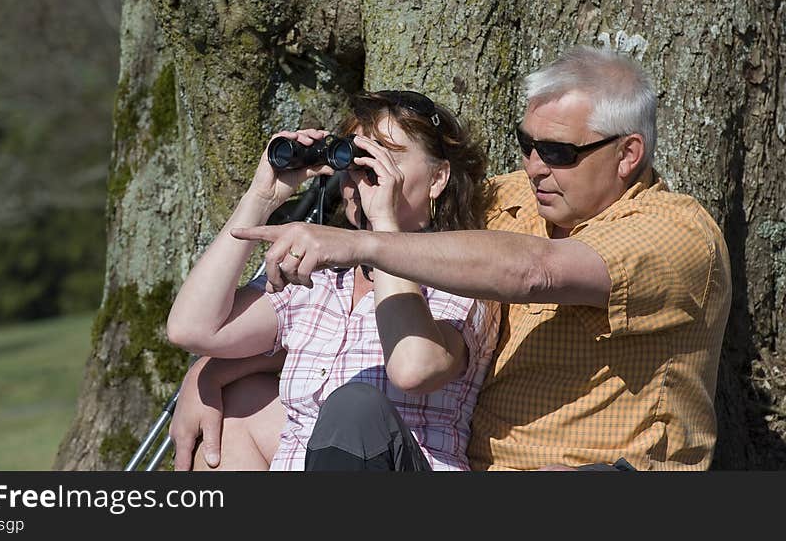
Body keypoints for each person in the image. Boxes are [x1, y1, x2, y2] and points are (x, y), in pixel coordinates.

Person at [173, 45, 732, 471]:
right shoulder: (512, 199)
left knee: (355, 412)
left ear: (628, 154)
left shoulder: (675, 233)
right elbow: (322, 334)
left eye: (558, 153)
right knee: (246, 411)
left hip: (599, 473)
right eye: (527, 145)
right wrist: (210, 371)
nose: (536, 167)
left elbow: (535, 270)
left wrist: (368, 239)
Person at [166, 90, 497, 470]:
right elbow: (192, 329)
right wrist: (261, 197)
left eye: (386, 158)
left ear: (437, 178)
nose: (364, 176)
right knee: (238, 408)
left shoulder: (460, 277)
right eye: (357, 159)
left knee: (354, 407)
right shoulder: (321, 279)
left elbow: (413, 368)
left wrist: (384, 230)